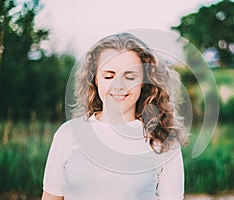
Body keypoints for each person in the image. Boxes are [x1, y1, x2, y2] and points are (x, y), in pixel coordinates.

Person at [41, 32, 188, 200]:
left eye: (130, 77)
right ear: (96, 79)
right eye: (109, 76)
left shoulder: (164, 141)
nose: (118, 85)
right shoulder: (67, 134)